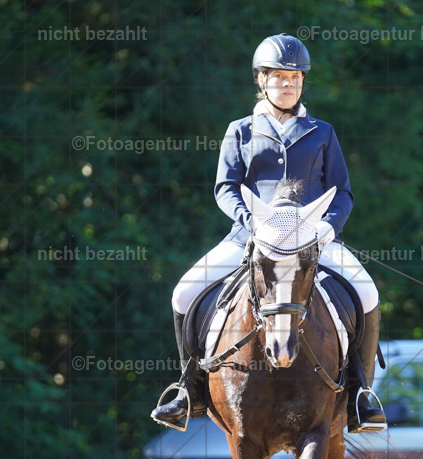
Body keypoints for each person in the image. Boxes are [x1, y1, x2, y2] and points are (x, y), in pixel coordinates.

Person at [151, 33, 386, 433]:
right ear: (262, 80)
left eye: (295, 77)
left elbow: (343, 191)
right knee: (184, 292)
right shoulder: (240, 130)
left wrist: (329, 227)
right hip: (251, 239)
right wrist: (250, 222)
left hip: (311, 242)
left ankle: (360, 393)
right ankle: (189, 389)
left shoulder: (322, 132)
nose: (289, 83)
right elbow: (225, 188)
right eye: (280, 77)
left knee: (367, 292)